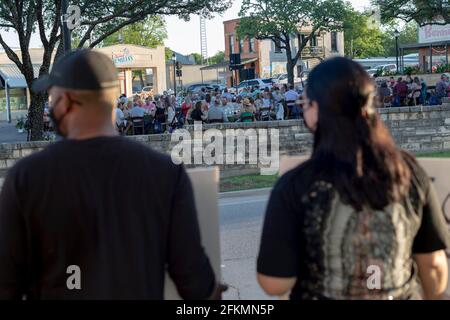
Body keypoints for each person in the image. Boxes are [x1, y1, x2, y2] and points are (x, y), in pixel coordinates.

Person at [0, 49, 223, 300]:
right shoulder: (166, 173)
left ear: (66, 102)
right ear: (113, 100)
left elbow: (7, 285)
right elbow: (196, 283)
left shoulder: (25, 178)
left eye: (52, 98)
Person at [257, 57, 450, 300]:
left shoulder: (295, 184)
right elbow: (433, 264)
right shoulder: (408, 172)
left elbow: (274, 283)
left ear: (317, 110)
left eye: (305, 103)